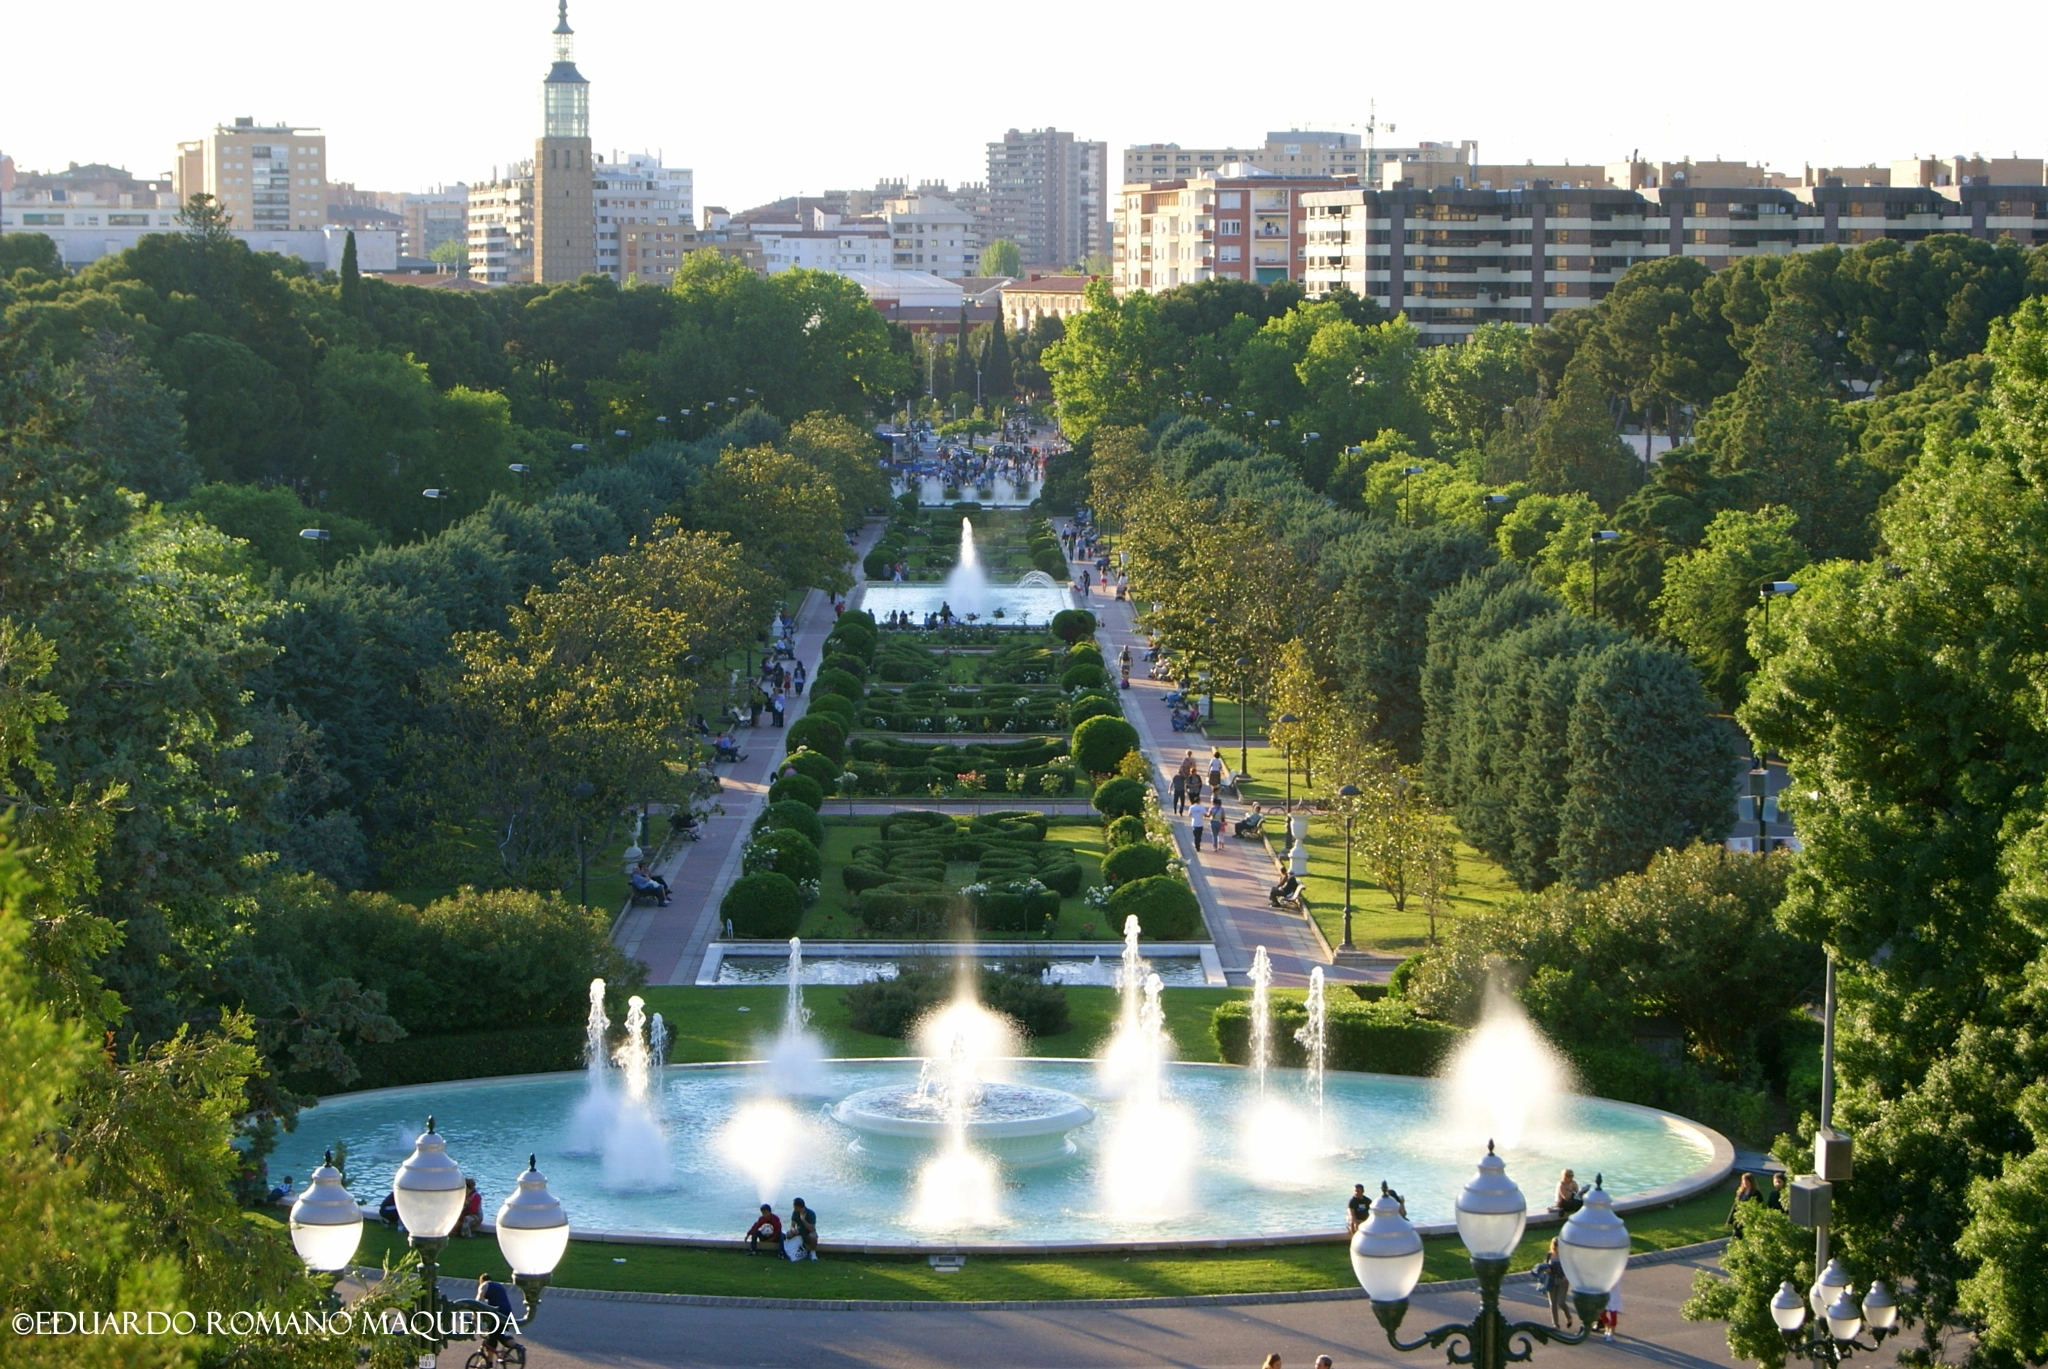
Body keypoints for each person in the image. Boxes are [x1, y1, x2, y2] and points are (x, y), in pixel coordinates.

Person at [476, 1273, 519, 1365]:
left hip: (498, 1313)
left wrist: (474, 1317)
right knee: (501, 1334)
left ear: (481, 1281)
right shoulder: (499, 1286)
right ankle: (517, 1347)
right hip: (507, 1312)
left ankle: (489, 1362)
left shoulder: (484, 1285)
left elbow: (478, 1301)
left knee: (491, 1337)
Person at [1533, 1238, 1574, 1329]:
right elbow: (1544, 1265)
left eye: (1558, 1246)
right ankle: (1555, 1324)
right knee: (1553, 1303)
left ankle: (1569, 1317)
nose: (1556, 1248)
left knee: (1561, 1302)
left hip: (1562, 1281)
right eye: (1555, 1246)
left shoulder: (1565, 1256)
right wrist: (1546, 1269)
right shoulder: (1549, 1255)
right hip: (1551, 1280)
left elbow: (1570, 1267)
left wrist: (1566, 1276)